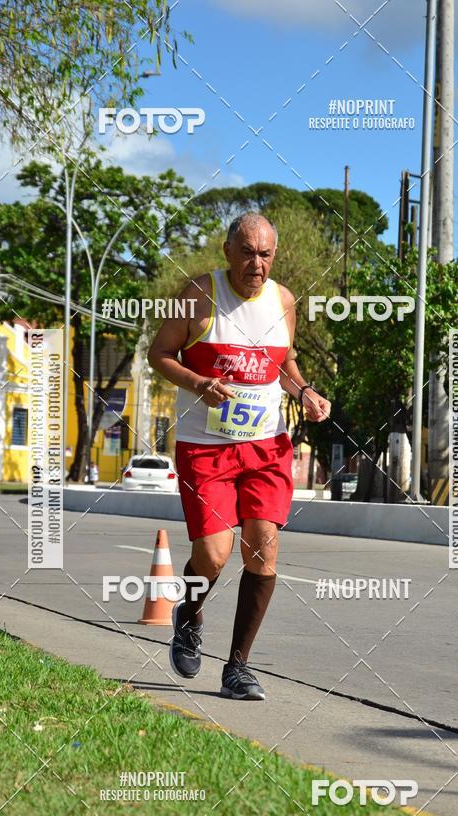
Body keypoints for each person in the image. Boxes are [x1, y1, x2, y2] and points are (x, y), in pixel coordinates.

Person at [148, 212, 330, 700]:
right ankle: (188, 615)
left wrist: (305, 391)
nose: (257, 263)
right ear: (227, 251)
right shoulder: (198, 294)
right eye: (247, 252)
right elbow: (159, 353)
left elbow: (283, 363)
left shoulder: (284, 301)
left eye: (266, 254)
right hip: (205, 447)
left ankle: (238, 668)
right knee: (212, 554)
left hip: (266, 446)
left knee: (263, 546)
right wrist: (198, 382)